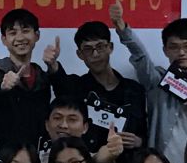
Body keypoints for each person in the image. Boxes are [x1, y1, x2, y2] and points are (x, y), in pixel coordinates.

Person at [112, 2, 187, 163]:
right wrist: (122, 28)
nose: (181, 52)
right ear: (165, 50)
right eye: (174, 47)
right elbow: (140, 56)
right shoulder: (157, 80)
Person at [62, 19, 148, 154]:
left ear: (110, 47)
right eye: (88, 49)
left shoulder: (135, 90)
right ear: (80, 54)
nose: (95, 54)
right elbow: (58, 81)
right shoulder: (76, 88)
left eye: (100, 46)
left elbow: (148, 131)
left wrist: (139, 142)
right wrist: (52, 65)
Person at [0, 9, 69, 153]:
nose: (20, 38)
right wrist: (3, 86)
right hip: (5, 155)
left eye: (25, 31)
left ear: (37, 35)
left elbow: (67, 98)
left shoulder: (41, 76)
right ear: (4, 39)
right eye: (13, 33)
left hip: (38, 154)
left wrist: (53, 66)